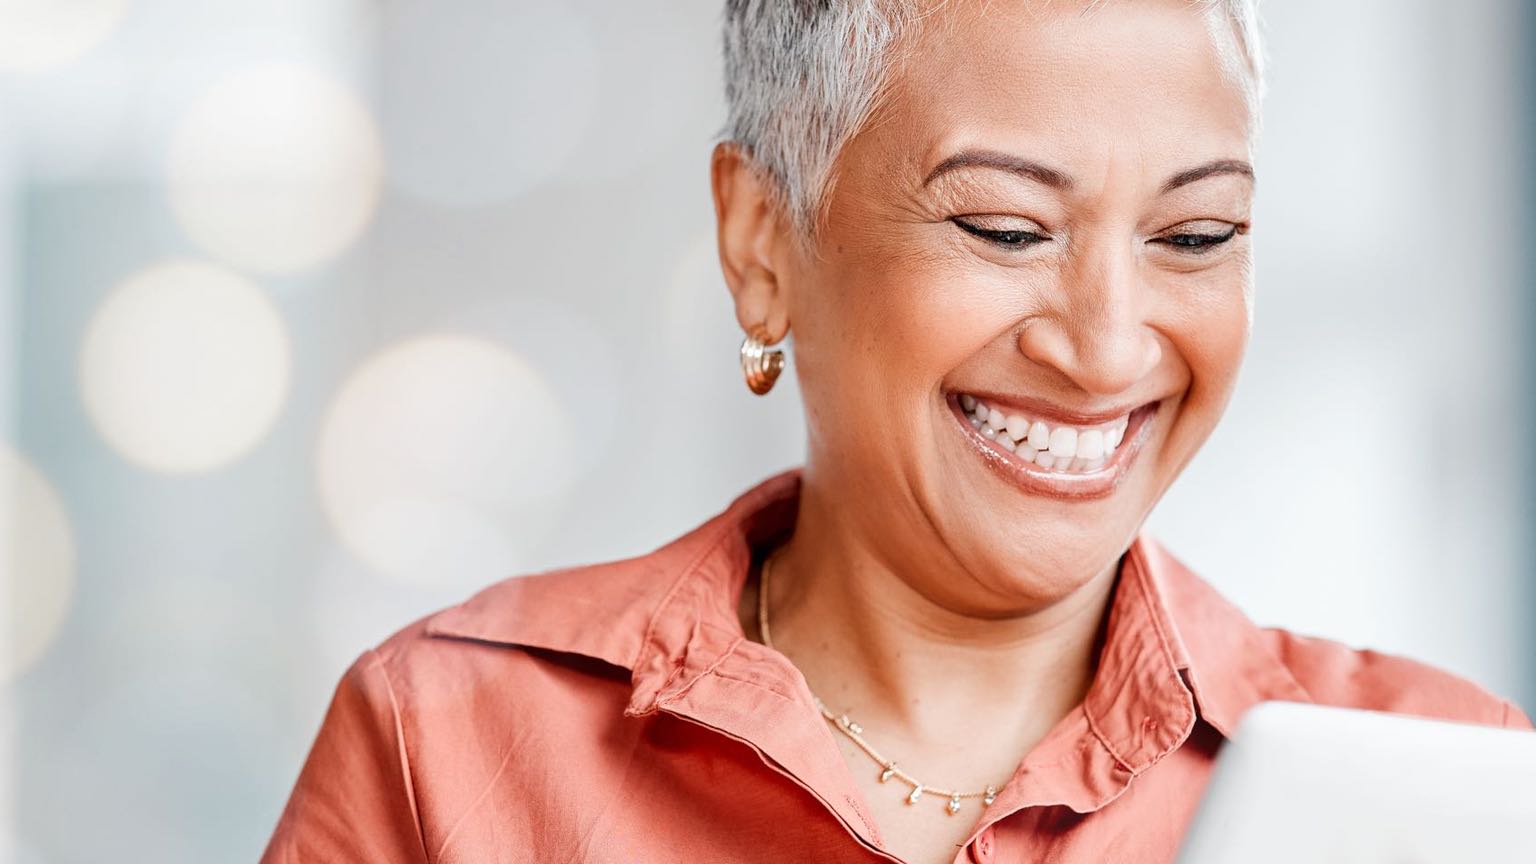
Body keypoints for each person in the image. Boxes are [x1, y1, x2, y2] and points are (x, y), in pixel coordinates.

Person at [260, 2, 1532, 862]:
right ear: (763, 244)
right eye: (1005, 228)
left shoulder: (1447, 785)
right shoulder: (449, 742)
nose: (1104, 346)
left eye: (1194, 237)